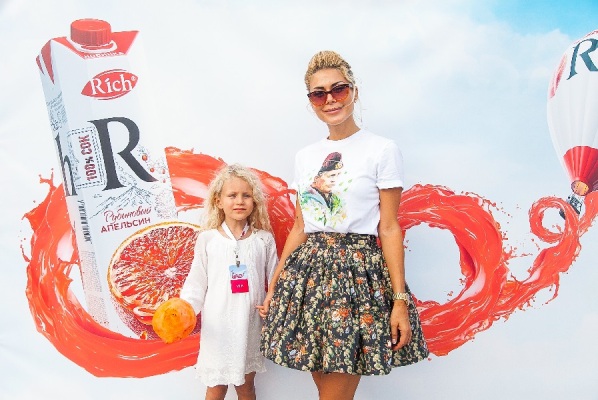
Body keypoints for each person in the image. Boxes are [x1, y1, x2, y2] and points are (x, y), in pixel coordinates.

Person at [259, 50, 429, 400]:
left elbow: (389, 228)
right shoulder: (305, 156)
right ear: (311, 102)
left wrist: (399, 301)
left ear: (354, 91)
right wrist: (275, 283)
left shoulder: (381, 149)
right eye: (318, 94)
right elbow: (300, 226)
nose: (330, 100)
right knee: (326, 386)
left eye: (339, 89)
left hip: (357, 278)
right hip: (306, 278)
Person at [180, 164, 278, 400]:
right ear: (218, 201)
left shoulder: (263, 240)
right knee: (216, 388)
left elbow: (276, 278)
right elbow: (196, 281)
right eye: (232, 195)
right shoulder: (208, 239)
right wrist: (184, 311)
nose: (239, 201)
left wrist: (272, 301)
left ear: (254, 201)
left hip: (249, 323)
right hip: (217, 326)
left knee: (246, 387)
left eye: (246, 195)